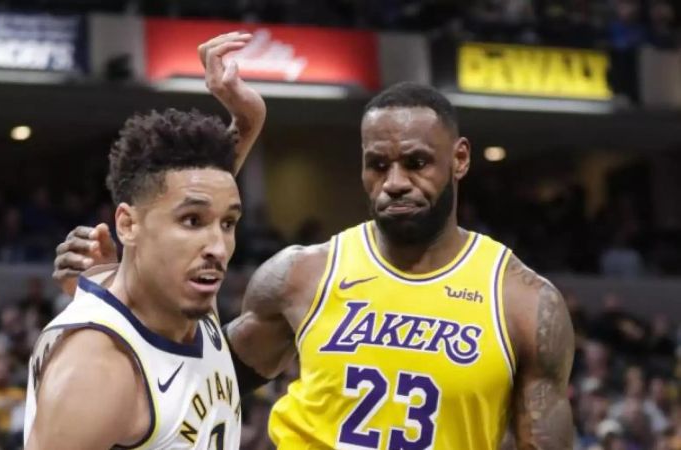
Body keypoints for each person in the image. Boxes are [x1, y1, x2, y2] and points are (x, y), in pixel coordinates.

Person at [56, 36, 574, 450]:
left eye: (416, 163)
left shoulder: (524, 304)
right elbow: (198, 377)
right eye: (377, 164)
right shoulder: (302, 275)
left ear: (459, 159)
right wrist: (121, 287)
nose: (394, 181)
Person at [24, 32, 267, 450]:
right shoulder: (99, 369)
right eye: (192, 222)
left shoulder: (181, 288)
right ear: (128, 226)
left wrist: (250, 115)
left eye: (228, 224)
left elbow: (204, 190)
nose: (217, 246)